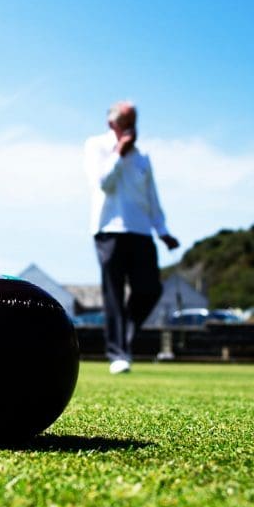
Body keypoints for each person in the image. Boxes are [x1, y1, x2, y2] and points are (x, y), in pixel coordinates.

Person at [84, 101, 179, 374]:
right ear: (113, 123)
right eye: (127, 122)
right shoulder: (96, 146)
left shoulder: (143, 156)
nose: (132, 127)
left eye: (134, 122)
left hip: (140, 231)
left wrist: (163, 231)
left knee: (150, 289)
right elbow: (103, 183)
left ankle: (124, 334)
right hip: (108, 230)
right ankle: (118, 354)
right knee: (113, 294)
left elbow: (152, 197)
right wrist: (119, 152)